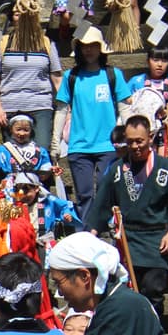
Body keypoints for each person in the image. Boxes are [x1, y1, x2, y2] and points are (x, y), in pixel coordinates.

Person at [86, 114, 168, 324]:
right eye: (130, 141)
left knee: (153, 290)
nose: (135, 146)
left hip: (155, 240)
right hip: (127, 239)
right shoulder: (117, 170)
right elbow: (102, 203)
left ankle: (152, 333)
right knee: (125, 293)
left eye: (139, 141)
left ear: (150, 137)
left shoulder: (166, 169)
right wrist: (92, 232)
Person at [56, 25, 130, 220]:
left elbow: (124, 106)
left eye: (93, 45)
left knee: (108, 192)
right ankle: (88, 235)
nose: (88, 50)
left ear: (100, 48)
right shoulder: (70, 77)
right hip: (79, 146)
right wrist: (55, 141)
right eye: (84, 46)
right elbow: (62, 108)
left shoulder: (113, 75)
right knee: (84, 195)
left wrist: (128, 135)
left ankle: (110, 232)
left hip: (108, 144)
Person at [0, 34, 63, 152]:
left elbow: (57, 78)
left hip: (40, 106)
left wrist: (67, 108)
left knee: (41, 150)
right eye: (17, 14)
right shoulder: (2, 43)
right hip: (10, 107)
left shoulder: (46, 42)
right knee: (14, 155)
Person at [127, 46, 168, 149]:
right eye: (155, 60)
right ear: (148, 61)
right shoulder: (136, 82)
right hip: (143, 128)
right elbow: (125, 103)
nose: (160, 65)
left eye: (164, 61)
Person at [0, 116, 55, 189]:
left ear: (31, 131)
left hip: (32, 188)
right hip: (10, 188)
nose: (22, 133)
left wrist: (51, 171)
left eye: (26, 130)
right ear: (11, 130)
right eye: (18, 129)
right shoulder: (4, 150)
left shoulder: (40, 151)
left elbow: (45, 174)